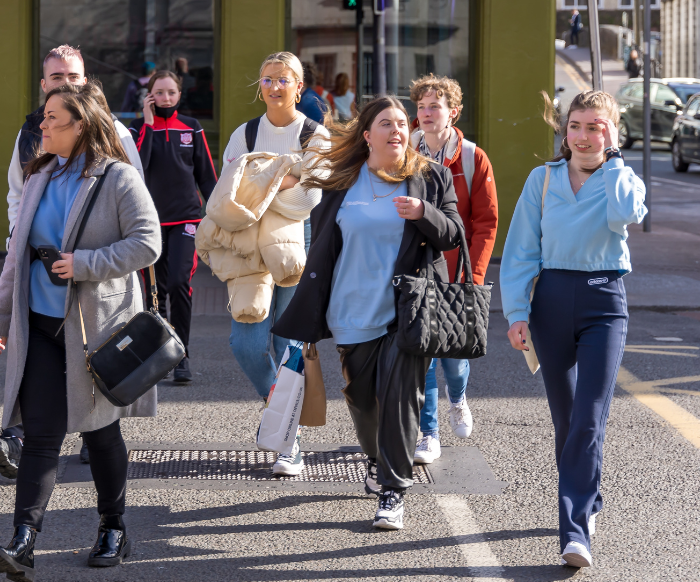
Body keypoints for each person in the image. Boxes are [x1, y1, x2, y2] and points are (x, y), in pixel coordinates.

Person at [0, 81, 161, 581]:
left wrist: (86, 263)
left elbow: (148, 244)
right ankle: (23, 542)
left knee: (101, 431)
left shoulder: (118, 178)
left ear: (79, 126)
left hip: (93, 329)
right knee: (41, 436)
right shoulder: (38, 175)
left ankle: (114, 526)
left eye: (52, 118)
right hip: (39, 324)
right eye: (43, 118)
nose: (41, 125)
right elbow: (17, 256)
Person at [273, 96, 464, 531]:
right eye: (386, 123)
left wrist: (423, 213)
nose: (397, 130)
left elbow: (454, 234)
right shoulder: (344, 182)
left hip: (408, 311)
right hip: (350, 308)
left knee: (400, 399)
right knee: (361, 400)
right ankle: (378, 460)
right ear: (367, 135)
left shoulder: (429, 177)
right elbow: (323, 242)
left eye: (402, 123)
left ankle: (393, 490)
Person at [0, 44, 144, 482]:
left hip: (95, 297)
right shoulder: (31, 135)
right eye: (57, 78)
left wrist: (88, 258)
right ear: (43, 84)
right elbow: (19, 194)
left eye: (73, 77)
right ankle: (24, 513)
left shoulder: (118, 136)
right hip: (42, 291)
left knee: (98, 409)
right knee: (44, 409)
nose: (65, 84)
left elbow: (138, 222)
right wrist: (24, 236)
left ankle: (108, 498)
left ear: (87, 82)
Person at [500, 90, 646, 568]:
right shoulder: (543, 179)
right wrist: (517, 313)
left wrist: (617, 162)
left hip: (606, 301)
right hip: (552, 302)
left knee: (589, 416)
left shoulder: (622, 179)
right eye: (577, 126)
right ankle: (590, 496)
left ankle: (575, 530)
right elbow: (521, 249)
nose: (584, 137)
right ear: (564, 130)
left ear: (612, 131)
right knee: (567, 421)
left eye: (596, 127)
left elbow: (627, 213)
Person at [219, 51, 329, 476]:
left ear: (299, 87)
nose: (274, 86)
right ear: (259, 86)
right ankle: (278, 410)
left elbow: (306, 199)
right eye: (267, 79)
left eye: (283, 79)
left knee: (287, 345)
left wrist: (260, 184)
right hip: (248, 243)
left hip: (293, 244)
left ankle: (289, 440)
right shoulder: (244, 134)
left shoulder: (316, 137)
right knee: (244, 343)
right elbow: (227, 192)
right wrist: (284, 177)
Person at [408, 74, 498, 464]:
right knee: (422, 353)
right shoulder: (404, 150)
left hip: (456, 271)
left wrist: (472, 274)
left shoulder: (471, 157)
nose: (427, 113)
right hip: (415, 270)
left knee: (454, 358)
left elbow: (486, 222)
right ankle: (428, 433)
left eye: (436, 106)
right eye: (422, 107)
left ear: (453, 112)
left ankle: (458, 398)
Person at [128, 71, 217, 382]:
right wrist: (149, 123)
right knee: (155, 291)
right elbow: (139, 165)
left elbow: (206, 174)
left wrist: (218, 212)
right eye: (159, 92)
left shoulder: (192, 127)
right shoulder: (137, 128)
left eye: (171, 92)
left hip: (186, 219)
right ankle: (161, 354)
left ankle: (182, 354)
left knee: (180, 282)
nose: (166, 98)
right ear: (150, 96)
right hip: (147, 223)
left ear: (179, 94)